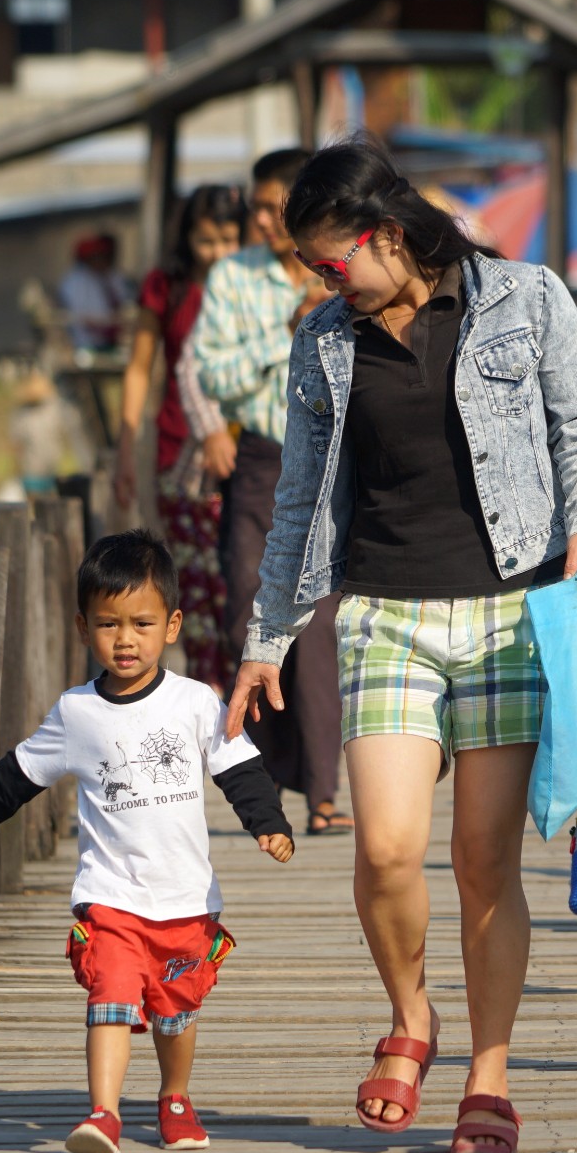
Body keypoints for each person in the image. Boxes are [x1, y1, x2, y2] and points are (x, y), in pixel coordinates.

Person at [226, 139, 577, 1153]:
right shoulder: (321, 341)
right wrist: (265, 638)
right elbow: (302, 500)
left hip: (507, 615)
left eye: (327, 262)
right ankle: (412, 1014)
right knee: (386, 845)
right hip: (384, 612)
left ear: (386, 236)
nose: (320, 283)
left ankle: (487, 1072)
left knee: (482, 860)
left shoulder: (526, 299)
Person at [0, 530, 295, 1153]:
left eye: (142, 623)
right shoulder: (77, 713)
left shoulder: (194, 703)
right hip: (111, 898)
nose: (125, 639)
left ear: (173, 625)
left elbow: (239, 769)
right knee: (112, 996)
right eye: (108, 624)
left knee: (175, 1012)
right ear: (83, 627)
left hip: (184, 900)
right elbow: (17, 775)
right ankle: (102, 1113)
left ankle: (176, 1099)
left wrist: (269, 823)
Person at [186, 148, 353, 836]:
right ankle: (280, 767)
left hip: (333, 461)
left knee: (317, 633)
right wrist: (285, 339)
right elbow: (211, 371)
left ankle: (322, 791)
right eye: (255, 206)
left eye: (270, 205)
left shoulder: (343, 271)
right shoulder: (232, 277)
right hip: (260, 461)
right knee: (244, 621)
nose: (258, 218)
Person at [114, 185, 246, 692]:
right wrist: (127, 449)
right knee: (193, 587)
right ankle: (210, 696)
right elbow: (139, 368)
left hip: (245, 454)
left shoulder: (253, 285)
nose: (216, 253)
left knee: (236, 584)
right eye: (206, 240)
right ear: (188, 237)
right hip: (177, 456)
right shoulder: (166, 287)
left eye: (227, 239)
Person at [9, 365, 92, 496]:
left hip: (51, 469)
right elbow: (16, 444)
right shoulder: (21, 413)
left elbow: (69, 430)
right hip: (31, 472)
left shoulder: (53, 408)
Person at [58, 234, 131, 356]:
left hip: (114, 344)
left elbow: (125, 301)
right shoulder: (75, 281)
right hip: (88, 346)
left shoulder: (111, 276)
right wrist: (108, 325)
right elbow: (83, 318)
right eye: (97, 256)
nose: (103, 260)